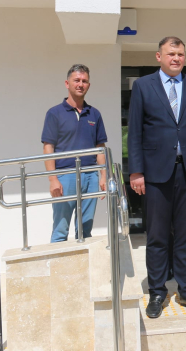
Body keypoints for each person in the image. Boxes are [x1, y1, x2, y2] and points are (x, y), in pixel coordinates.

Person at [128, 37, 186, 318]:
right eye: (171, 54)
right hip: (156, 173)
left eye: (180, 54)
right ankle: (157, 292)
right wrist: (136, 171)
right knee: (157, 235)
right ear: (159, 56)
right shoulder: (143, 86)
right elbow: (135, 130)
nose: (176, 58)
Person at [42, 64, 107, 243]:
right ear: (67, 83)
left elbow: (100, 147)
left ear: (88, 85)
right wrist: (53, 179)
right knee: (60, 229)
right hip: (65, 175)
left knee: (85, 230)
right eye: (76, 80)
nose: (80, 84)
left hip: (91, 175)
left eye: (84, 81)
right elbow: (48, 147)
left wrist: (103, 176)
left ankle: (84, 261)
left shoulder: (94, 114)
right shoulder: (54, 113)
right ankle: (58, 261)